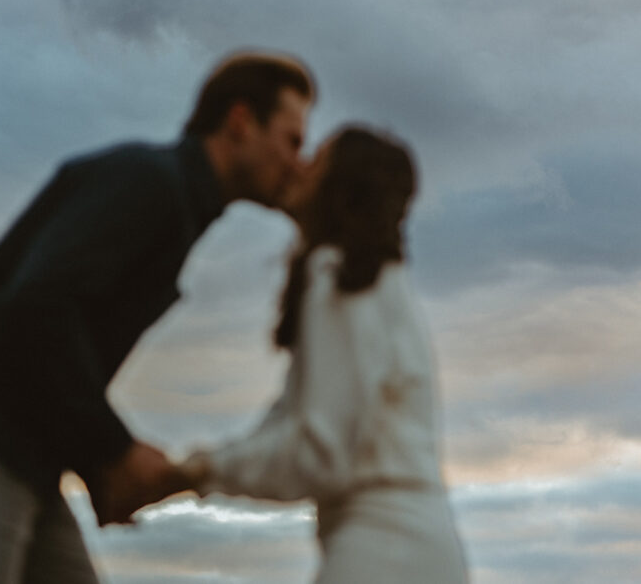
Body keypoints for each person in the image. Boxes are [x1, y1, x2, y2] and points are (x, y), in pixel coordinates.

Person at [0, 50, 316, 584]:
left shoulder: (173, 200)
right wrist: (114, 451)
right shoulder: (150, 182)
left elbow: (52, 342)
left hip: (23, 451)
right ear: (241, 121)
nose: (298, 163)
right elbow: (40, 307)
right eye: (292, 140)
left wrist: (100, 468)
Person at [178, 126, 469, 583]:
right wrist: (199, 468)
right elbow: (289, 422)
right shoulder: (376, 285)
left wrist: (197, 472)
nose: (300, 165)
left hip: (382, 552)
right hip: (416, 549)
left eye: (316, 158)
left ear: (340, 185)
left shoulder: (340, 277)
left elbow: (321, 451)